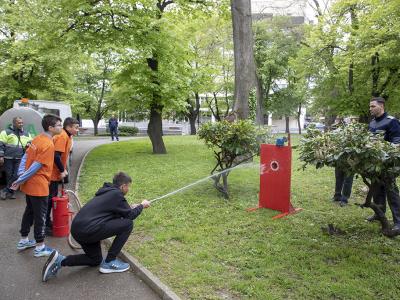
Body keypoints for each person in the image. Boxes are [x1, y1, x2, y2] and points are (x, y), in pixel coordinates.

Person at [42, 172, 151, 282]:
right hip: (88, 230)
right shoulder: (117, 195)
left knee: (95, 259)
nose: (129, 189)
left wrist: (131, 207)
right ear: (123, 186)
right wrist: (142, 205)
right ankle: (110, 261)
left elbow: (116, 211)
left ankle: (61, 261)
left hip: (78, 229)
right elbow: (130, 216)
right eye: (128, 187)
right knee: (128, 224)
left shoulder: (107, 192)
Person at [11, 114, 62, 257]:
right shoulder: (48, 144)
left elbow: (26, 157)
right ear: (51, 128)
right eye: (59, 125)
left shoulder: (37, 139)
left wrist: (21, 174)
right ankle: (40, 247)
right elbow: (36, 166)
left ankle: (24, 240)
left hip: (30, 185)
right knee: (40, 216)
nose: (61, 127)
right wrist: (20, 179)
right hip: (39, 186)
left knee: (30, 211)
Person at [367, 97, 400, 231]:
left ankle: (398, 221)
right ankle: (379, 214)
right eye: (370, 107)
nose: (370, 109)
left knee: (391, 191)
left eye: (373, 106)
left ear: (381, 106)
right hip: (374, 163)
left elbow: (397, 142)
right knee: (376, 190)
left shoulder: (392, 121)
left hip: (387, 164)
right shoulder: (372, 123)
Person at [45, 117, 80, 235]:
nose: (77, 129)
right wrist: (62, 170)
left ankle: (46, 222)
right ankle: (45, 226)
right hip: (51, 174)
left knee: (51, 198)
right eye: (76, 127)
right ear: (68, 127)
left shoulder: (67, 136)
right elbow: (56, 156)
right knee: (50, 200)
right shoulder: (62, 136)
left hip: (54, 174)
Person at [0, 117, 32, 200]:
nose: (21, 124)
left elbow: (30, 143)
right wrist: (1, 156)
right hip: (8, 158)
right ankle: (11, 192)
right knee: (9, 175)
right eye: (19, 123)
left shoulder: (26, 133)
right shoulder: (6, 132)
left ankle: (5, 190)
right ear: (14, 123)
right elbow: (1, 145)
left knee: (16, 175)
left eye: (22, 122)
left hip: (20, 158)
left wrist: (29, 144)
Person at [331, 118, 354, 207]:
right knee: (338, 177)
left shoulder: (353, 133)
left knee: (348, 179)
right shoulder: (337, 132)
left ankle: (344, 199)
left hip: (350, 160)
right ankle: (337, 195)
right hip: (339, 159)